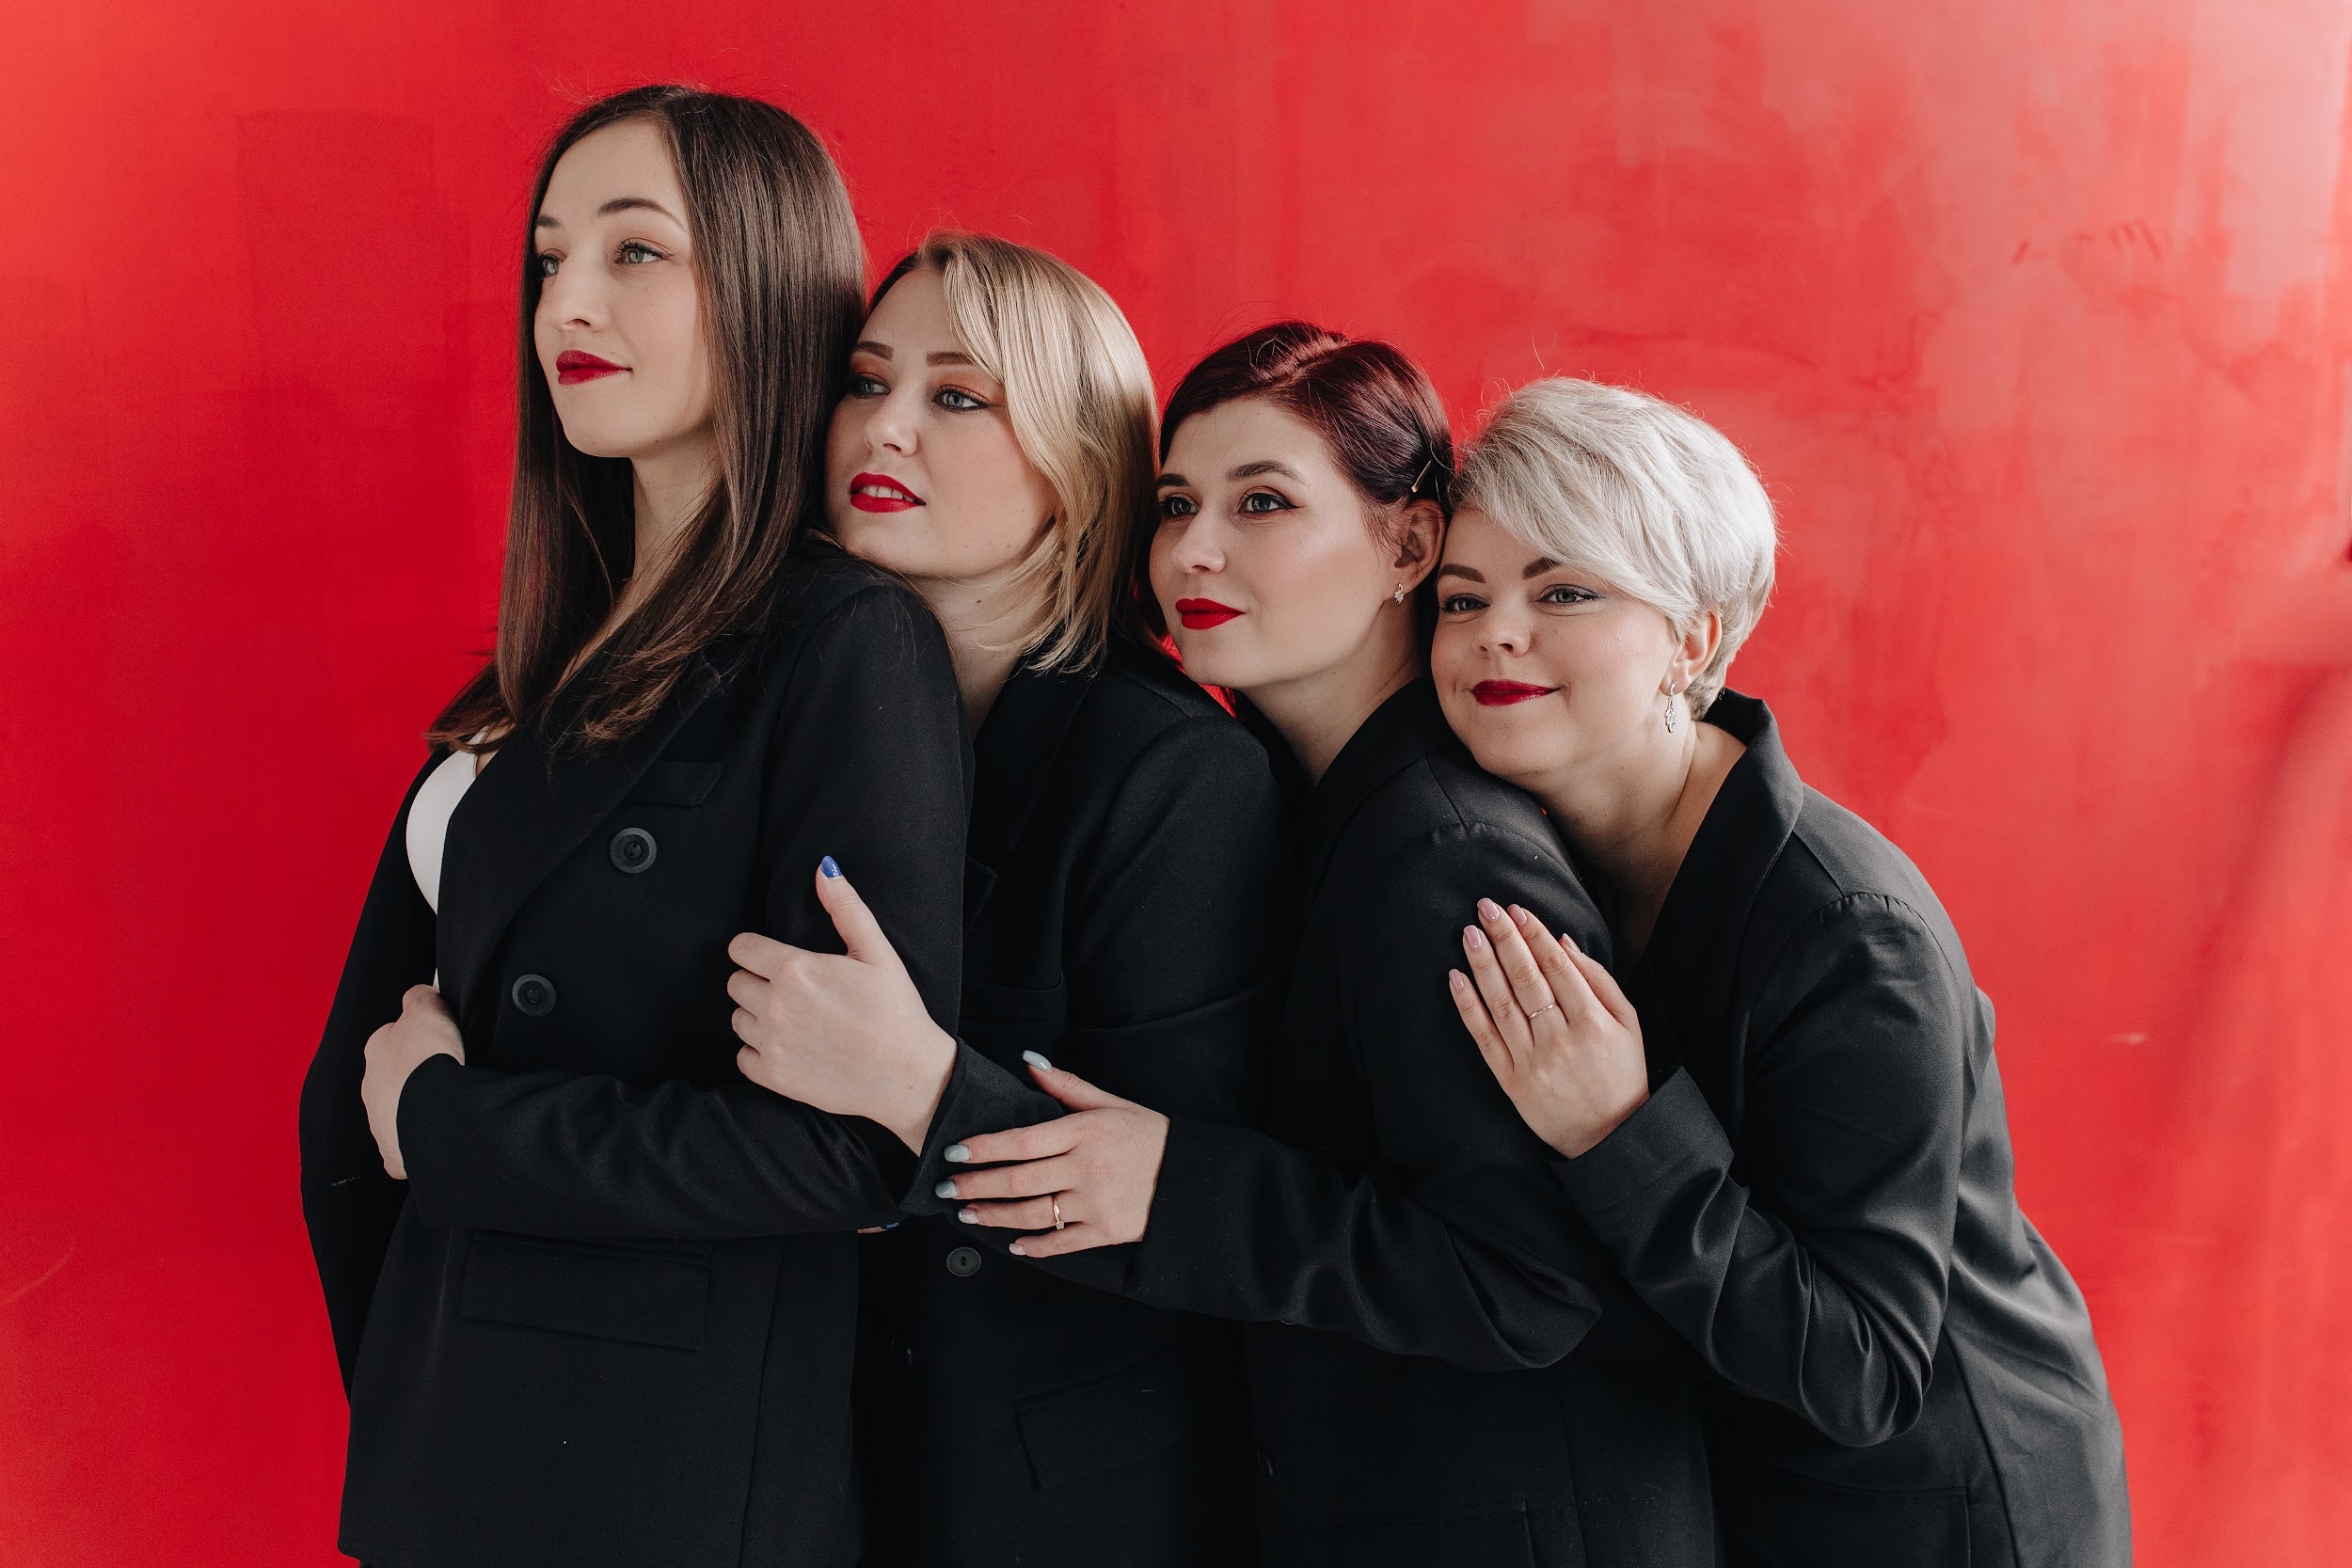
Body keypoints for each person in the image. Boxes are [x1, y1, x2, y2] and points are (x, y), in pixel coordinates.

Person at [868, 325, 1719, 1567]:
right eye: (1176, 504)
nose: (1193, 551)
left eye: (1262, 502)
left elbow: (1529, 1282)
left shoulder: (1442, 853)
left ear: (1410, 545)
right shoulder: (1312, 801)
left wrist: (1174, 1183)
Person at [295, 87, 969, 1568]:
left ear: (766, 281)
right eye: (549, 259)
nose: (568, 304)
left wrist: (448, 1124)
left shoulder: (842, 643)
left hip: (649, 1477)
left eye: (635, 251)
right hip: (453, 1437)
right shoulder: (556, 654)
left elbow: (848, 1148)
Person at [1433, 376, 2131, 1567]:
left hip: (1937, 1511)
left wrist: (1617, 1128)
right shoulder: (1544, 854)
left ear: (1692, 638)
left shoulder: (1851, 932)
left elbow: (1866, 1366)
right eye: (1463, 596)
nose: (1498, 629)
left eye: (1565, 590)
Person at [719, 233, 1289, 1566]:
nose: (886, 426)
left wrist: (922, 1088)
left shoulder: (1173, 773)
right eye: (867, 381)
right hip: (804, 1462)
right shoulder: (785, 721)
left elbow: (1183, 1210)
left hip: (1056, 1501)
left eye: (958, 395)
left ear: (1077, 465)